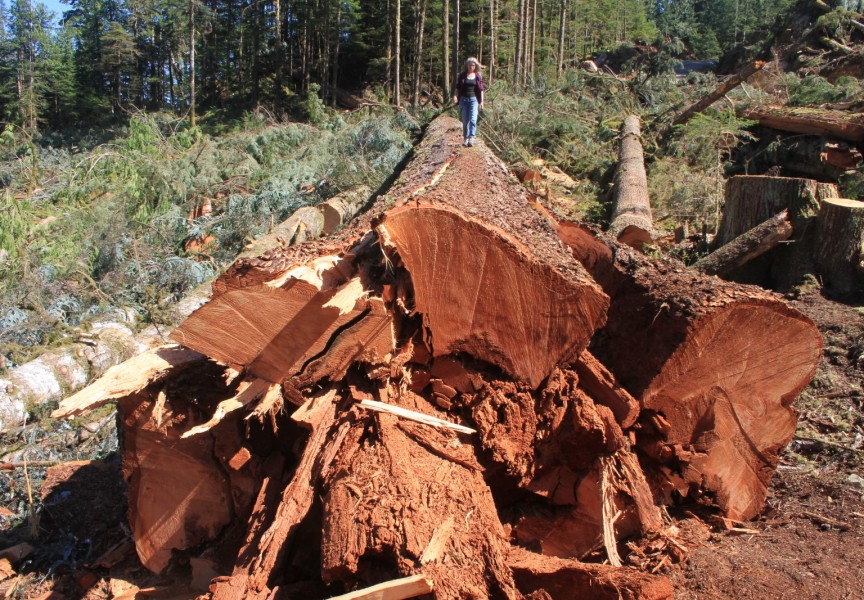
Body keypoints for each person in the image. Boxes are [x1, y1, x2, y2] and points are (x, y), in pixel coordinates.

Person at [451, 58, 484, 147]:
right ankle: (465, 138)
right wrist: (455, 96)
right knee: (465, 121)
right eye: (469, 65)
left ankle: (471, 138)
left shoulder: (478, 76)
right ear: (467, 65)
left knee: (473, 119)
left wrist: (481, 102)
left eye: (473, 65)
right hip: (463, 100)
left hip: (474, 100)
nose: (471, 66)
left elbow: (481, 90)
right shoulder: (462, 75)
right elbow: (458, 87)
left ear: (475, 66)